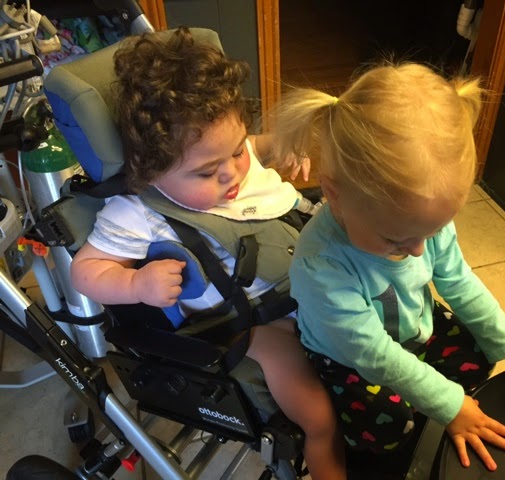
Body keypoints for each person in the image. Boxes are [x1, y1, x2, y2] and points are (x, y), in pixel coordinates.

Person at [70, 28, 345, 480]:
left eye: (235, 152)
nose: (232, 173)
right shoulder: (138, 212)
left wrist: (283, 148)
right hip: (252, 324)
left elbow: (256, 146)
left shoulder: (225, 154)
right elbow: (85, 271)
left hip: (310, 277)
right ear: (151, 171)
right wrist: (136, 282)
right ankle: (324, 446)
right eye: (206, 172)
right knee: (316, 412)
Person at [271, 62, 505, 472]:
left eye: (429, 233)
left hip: (412, 329)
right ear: (334, 193)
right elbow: (373, 354)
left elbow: (460, 282)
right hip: (350, 360)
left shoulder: (417, 225)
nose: (418, 251)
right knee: (388, 428)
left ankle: (432, 412)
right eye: (395, 239)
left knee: (478, 354)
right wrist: (450, 405)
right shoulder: (320, 264)